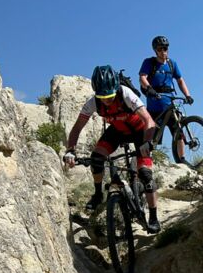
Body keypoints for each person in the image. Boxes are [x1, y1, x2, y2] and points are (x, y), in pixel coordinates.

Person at [63, 65, 161, 234]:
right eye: (102, 97)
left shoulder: (126, 94)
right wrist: (70, 150)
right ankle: (98, 193)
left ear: (116, 88)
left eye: (110, 96)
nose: (106, 100)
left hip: (139, 132)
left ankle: (153, 217)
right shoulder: (93, 102)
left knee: (145, 174)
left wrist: (147, 142)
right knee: (96, 158)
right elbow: (77, 128)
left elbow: (149, 121)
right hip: (117, 131)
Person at [139, 35, 194, 164]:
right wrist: (149, 88)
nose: (163, 51)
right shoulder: (149, 62)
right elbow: (142, 78)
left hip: (170, 103)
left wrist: (188, 95)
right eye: (160, 49)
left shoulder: (172, 64)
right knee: (153, 137)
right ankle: (147, 161)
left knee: (179, 131)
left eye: (165, 48)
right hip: (155, 106)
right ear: (155, 50)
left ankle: (182, 160)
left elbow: (180, 80)